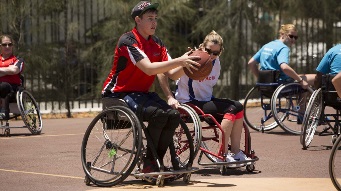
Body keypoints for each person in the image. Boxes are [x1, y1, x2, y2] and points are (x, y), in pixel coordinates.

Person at [101, 1, 200, 173]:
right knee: (159, 115)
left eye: (156, 18)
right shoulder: (128, 41)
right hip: (118, 94)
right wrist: (179, 60)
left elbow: (172, 73)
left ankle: (155, 161)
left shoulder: (157, 43)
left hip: (142, 94)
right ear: (138, 20)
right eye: (149, 18)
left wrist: (190, 64)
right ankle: (150, 164)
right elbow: (148, 68)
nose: (154, 22)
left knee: (173, 115)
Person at [158, 30, 251, 163]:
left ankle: (235, 152)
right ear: (202, 47)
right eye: (208, 51)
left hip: (205, 100)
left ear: (220, 52)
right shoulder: (192, 58)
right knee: (231, 109)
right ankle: (221, 154)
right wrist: (170, 96)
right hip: (189, 102)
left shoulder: (216, 62)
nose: (212, 55)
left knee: (238, 106)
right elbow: (166, 73)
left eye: (216, 52)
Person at [247, 24, 315, 88]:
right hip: (281, 84)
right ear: (283, 34)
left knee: (302, 78)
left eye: (296, 37)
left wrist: (261, 79)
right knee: (314, 78)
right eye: (291, 36)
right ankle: (303, 100)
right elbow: (284, 67)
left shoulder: (267, 45)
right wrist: (300, 81)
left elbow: (251, 63)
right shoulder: (283, 48)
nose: (293, 39)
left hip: (266, 85)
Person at [0, 35, 24, 110]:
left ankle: (3, 109)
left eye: (9, 44)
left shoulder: (17, 59)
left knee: (3, 86)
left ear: (12, 46)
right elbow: (11, 71)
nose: (7, 47)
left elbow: (14, 70)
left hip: (12, 88)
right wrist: (8, 70)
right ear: (0, 46)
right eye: (4, 45)